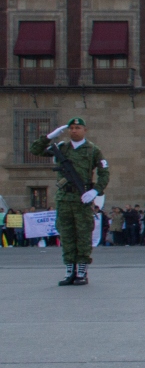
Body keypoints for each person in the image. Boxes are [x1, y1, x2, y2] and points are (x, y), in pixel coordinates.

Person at [28, 117, 110, 286]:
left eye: (77, 127)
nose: (74, 130)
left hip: (82, 198)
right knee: (66, 234)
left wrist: (95, 191)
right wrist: (49, 137)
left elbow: (104, 172)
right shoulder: (62, 148)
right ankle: (69, 269)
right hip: (64, 198)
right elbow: (35, 150)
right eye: (71, 128)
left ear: (84, 130)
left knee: (83, 234)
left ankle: (81, 270)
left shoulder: (93, 150)